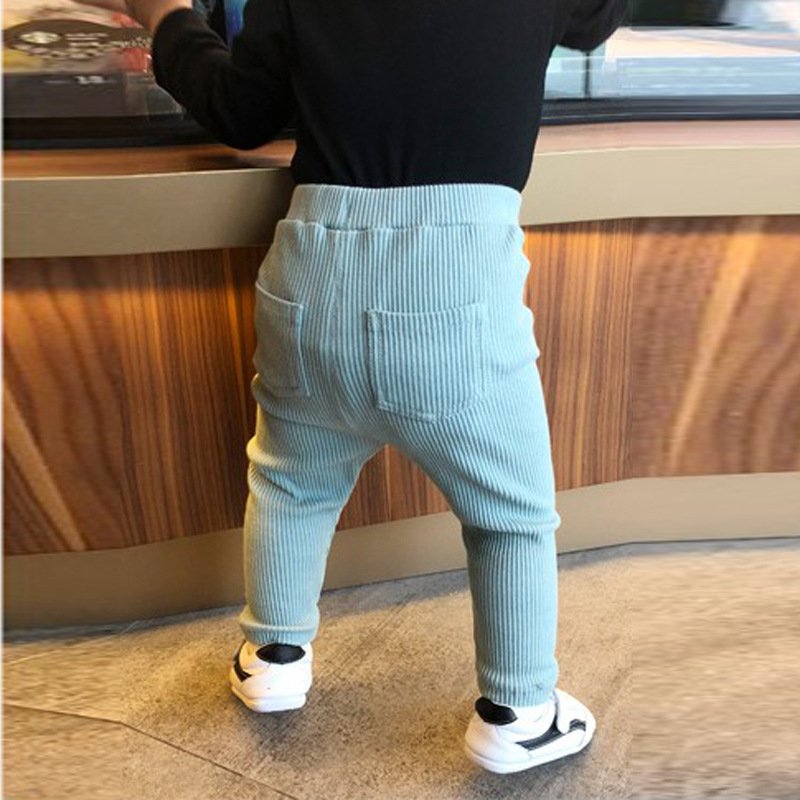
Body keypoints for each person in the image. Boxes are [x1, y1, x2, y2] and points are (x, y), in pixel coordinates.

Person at [90, 0, 628, 775]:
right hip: (453, 286)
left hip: (310, 268)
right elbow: (596, 21)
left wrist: (168, 14)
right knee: (508, 516)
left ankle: (272, 658)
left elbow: (240, 112)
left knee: (290, 481)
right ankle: (517, 713)